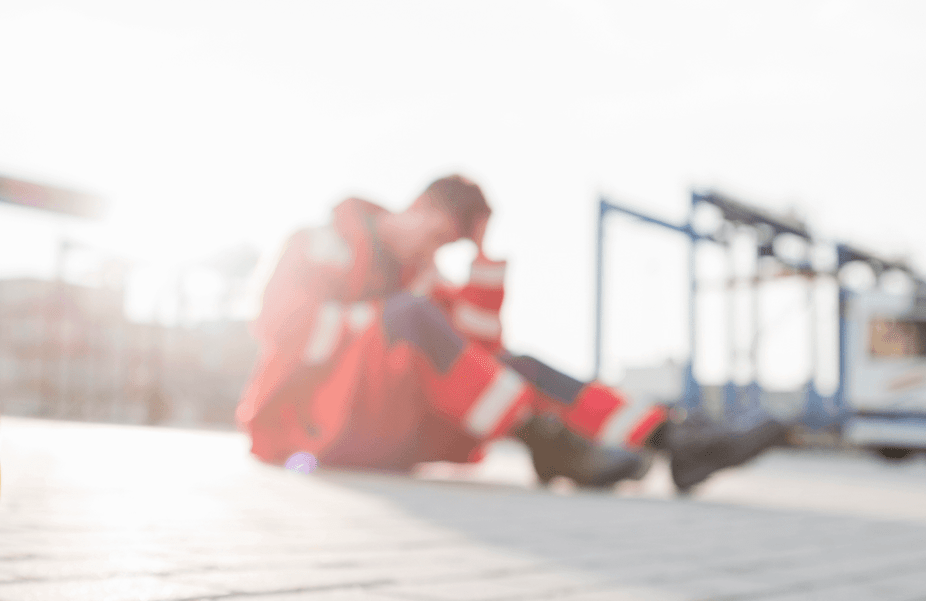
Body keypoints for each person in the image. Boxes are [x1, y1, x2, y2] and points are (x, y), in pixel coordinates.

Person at [236, 176, 785, 492]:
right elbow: (277, 326)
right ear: (417, 206)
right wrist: (378, 324)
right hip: (305, 424)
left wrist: (482, 256)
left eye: (449, 246)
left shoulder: (419, 279)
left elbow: (482, 355)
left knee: (516, 367)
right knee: (411, 318)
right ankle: (545, 441)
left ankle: (673, 441)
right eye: (436, 235)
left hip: (383, 425)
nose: (435, 251)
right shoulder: (321, 242)